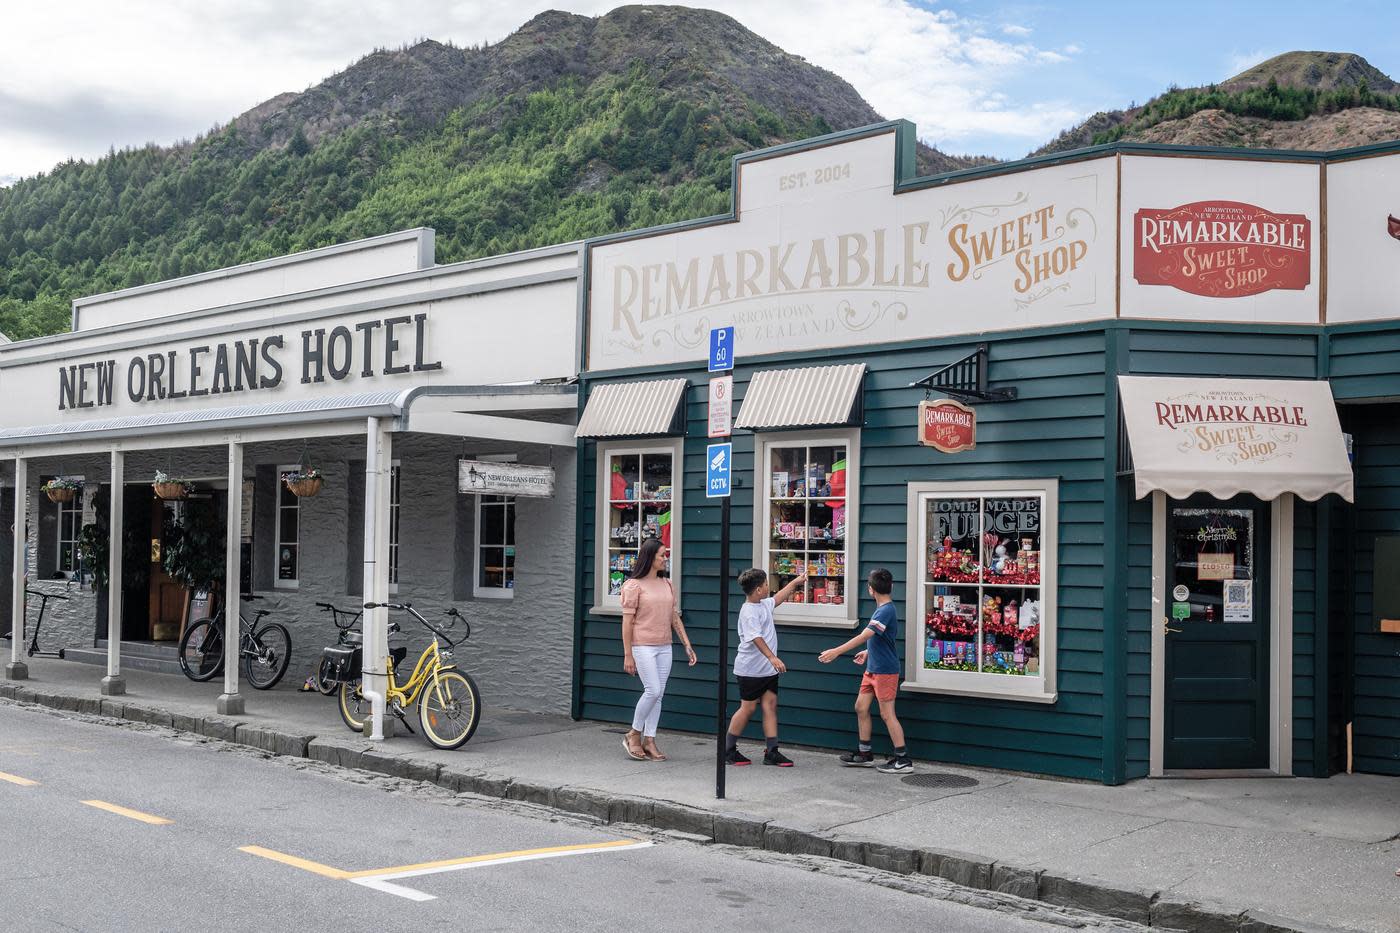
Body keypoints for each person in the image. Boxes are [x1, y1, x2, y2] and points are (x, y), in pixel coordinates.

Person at [818, 567, 913, 773]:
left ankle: (903, 759)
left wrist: (836, 651)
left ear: (870, 590)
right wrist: (868, 653)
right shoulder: (883, 609)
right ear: (891, 586)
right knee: (861, 707)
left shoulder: (886, 610)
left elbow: (865, 635)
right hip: (872, 668)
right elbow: (880, 638)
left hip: (885, 670)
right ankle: (865, 753)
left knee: (887, 714)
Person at [620, 537, 696, 761]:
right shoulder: (633, 586)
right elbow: (627, 622)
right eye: (662, 555)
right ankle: (633, 733)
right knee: (652, 689)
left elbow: (673, 616)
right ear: (650, 557)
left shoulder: (667, 584)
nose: (665, 559)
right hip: (642, 645)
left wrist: (687, 645)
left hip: (664, 646)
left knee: (659, 694)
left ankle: (650, 740)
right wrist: (628, 654)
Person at [725, 568, 807, 767]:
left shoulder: (762, 604)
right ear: (759, 589)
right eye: (766, 585)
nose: (769, 588)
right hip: (751, 669)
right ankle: (727, 750)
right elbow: (755, 637)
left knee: (770, 706)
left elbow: (777, 599)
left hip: (768, 671)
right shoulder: (748, 612)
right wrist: (772, 657)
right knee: (748, 708)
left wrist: (795, 582)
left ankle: (772, 751)